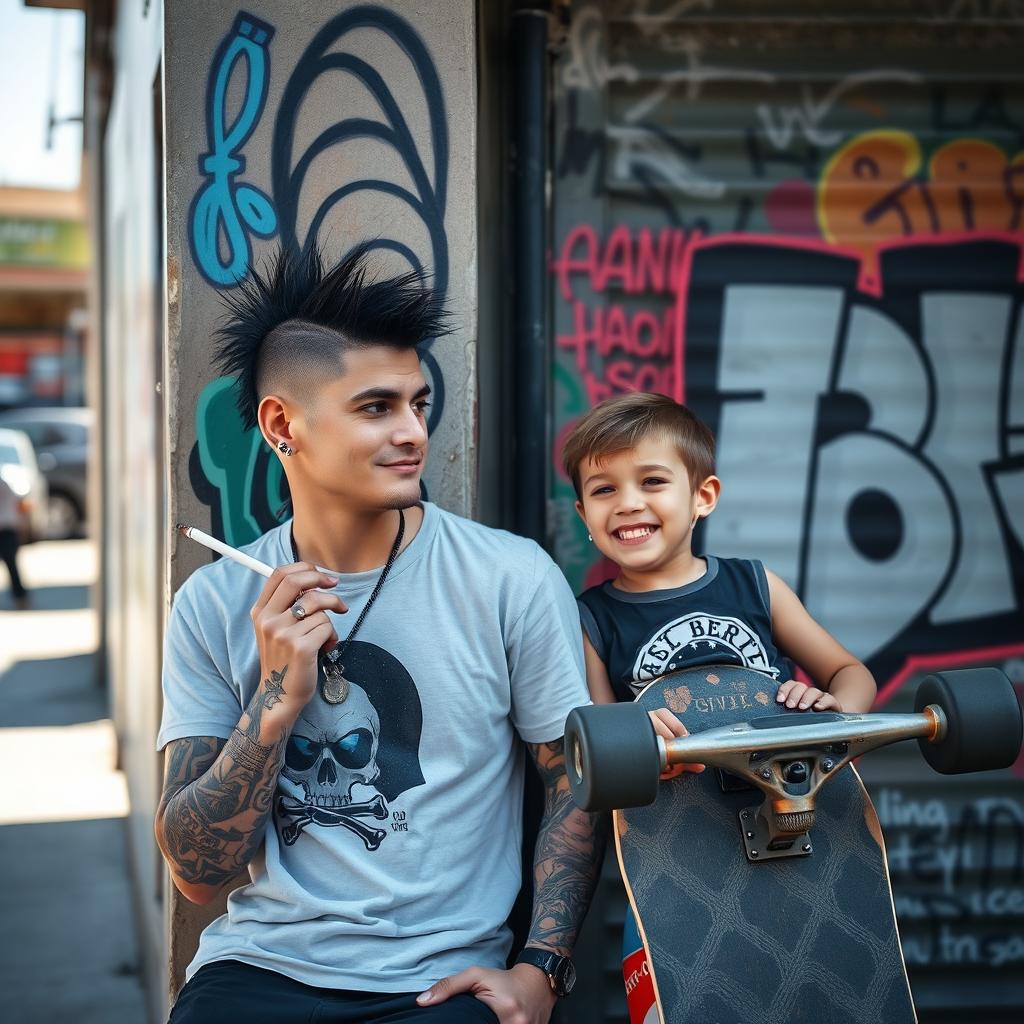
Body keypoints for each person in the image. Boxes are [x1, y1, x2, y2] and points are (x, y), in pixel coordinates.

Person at [156, 245, 600, 1024]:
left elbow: (575, 781)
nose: (412, 433)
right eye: (375, 408)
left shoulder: (509, 578)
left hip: (441, 985)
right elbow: (198, 874)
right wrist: (275, 700)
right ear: (282, 424)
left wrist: (542, 969)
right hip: (258, 972)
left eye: (418, 404)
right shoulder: (213, 603)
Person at [561, 392, 877, 1017]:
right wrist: (634, 737)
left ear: (703, 496)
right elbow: (595, 746)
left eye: (652, 481)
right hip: (673, 863)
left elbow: (852, 672)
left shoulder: (755, 585)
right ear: (582, 512)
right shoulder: (591, 620)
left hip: (799, 828)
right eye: (603, 490)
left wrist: (832, 709)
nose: (627, 502)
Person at [0, 473, 29, 610]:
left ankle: (21, 598)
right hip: (9, 532)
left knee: (12, 567)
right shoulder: (6, 484)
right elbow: (20, 506)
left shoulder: (5, 485)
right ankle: (20, 598)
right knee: (12, 567)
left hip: (6, 531)